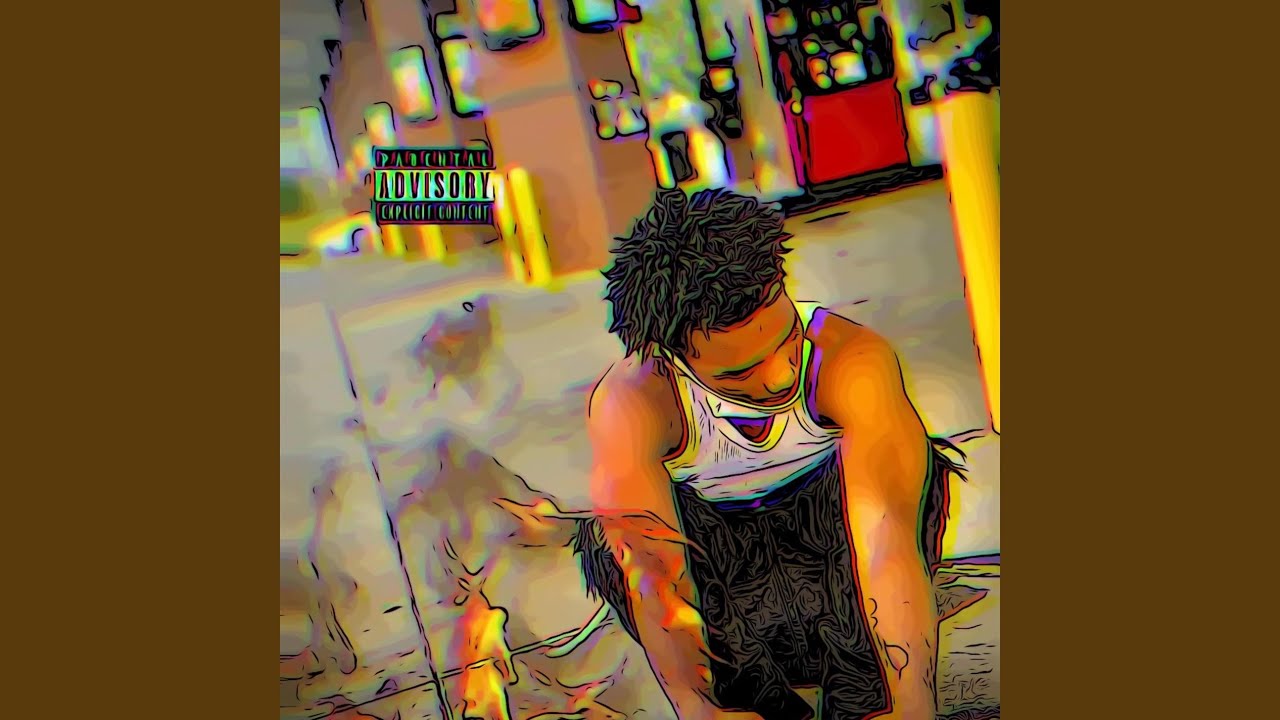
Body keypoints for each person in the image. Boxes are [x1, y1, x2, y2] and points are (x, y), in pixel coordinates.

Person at [573, 189, 963, 720]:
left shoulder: (849, 360)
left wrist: (913, 700)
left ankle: (863, 688)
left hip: (835, 572)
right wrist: (697, 707)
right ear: (671, 356)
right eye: (740, 372)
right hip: (735, 599)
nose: (780, 376)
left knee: (921, 466)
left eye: (788, 339)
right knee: (615, 536)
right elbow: (656, 575)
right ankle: (752, 702)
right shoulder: (635, 403)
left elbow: (886, 539)